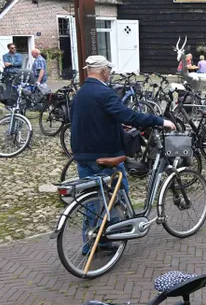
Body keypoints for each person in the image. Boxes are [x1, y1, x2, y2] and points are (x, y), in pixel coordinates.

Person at [71, 55, 175, 201]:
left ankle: (94, 224)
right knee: (117, 198)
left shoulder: (80, 93)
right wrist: (159, 121)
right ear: (103, 71)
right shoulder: (105, 93)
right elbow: (129, 116)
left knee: (91, 202)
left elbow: (86, 119)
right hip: (104, 153)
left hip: (82, 153)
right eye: (109, 69)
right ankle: (119, 222)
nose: (110, 73)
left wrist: (114, 123)